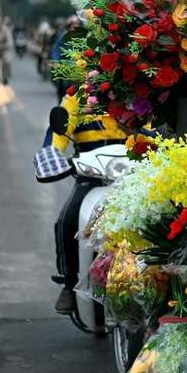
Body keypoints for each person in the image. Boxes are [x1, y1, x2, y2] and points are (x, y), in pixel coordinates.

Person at [42, 94, 128, 314]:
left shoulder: (134, 91)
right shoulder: (76, 98)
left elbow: (154, 126)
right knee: (67, 221)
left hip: (131, 174)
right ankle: (69, 282)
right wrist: (50, 154)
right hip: (90, 175)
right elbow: (57, 135)